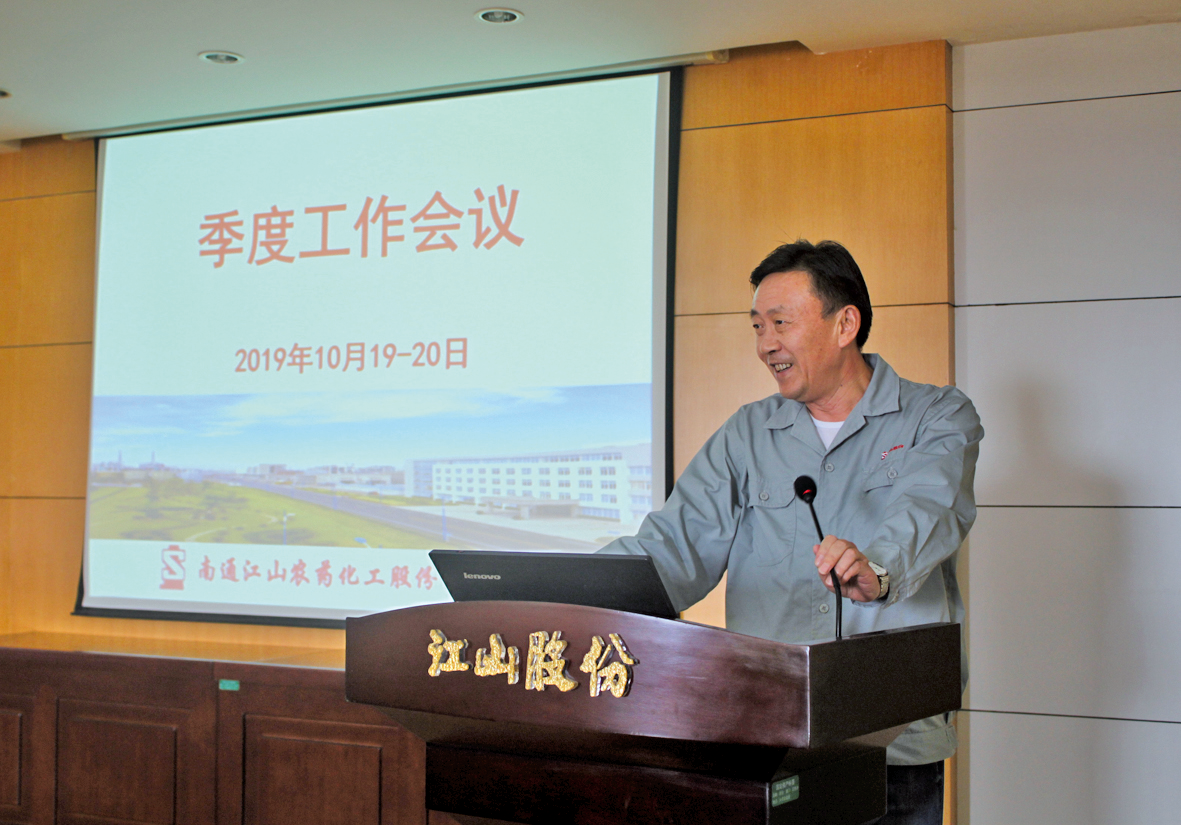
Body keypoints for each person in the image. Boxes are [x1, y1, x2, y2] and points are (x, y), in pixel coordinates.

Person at [601, 239, 982, 825]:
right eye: (757, 326)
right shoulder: (747, 433)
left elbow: (929, 509)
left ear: (845, 324)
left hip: (890, 745)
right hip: (767, 738)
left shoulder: (937, 416)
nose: (765, 345)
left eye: (781, 323)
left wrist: (876, 570)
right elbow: (674, 545)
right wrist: (579, 588)